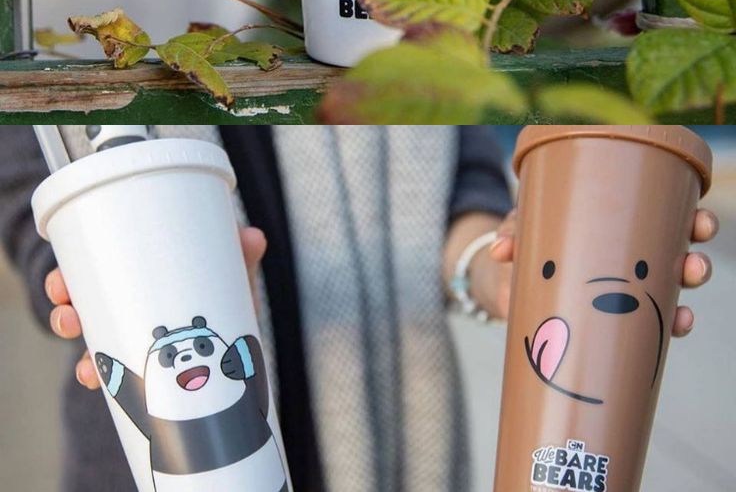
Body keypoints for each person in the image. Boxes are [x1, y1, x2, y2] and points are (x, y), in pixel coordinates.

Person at [0, 124, 718, 492]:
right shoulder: (75, 29)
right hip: (160, 459)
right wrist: (89, 277)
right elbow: (25, 179)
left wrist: (508, 270)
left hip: (387, 444)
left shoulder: (411, 14)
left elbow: (463, 187)